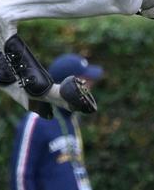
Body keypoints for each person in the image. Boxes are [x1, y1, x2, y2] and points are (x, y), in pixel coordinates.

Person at [10, 54, 103, 190]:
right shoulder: (37, 120)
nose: (89, 88)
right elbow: (21, 176)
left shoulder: (71, 119)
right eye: (84, 82)